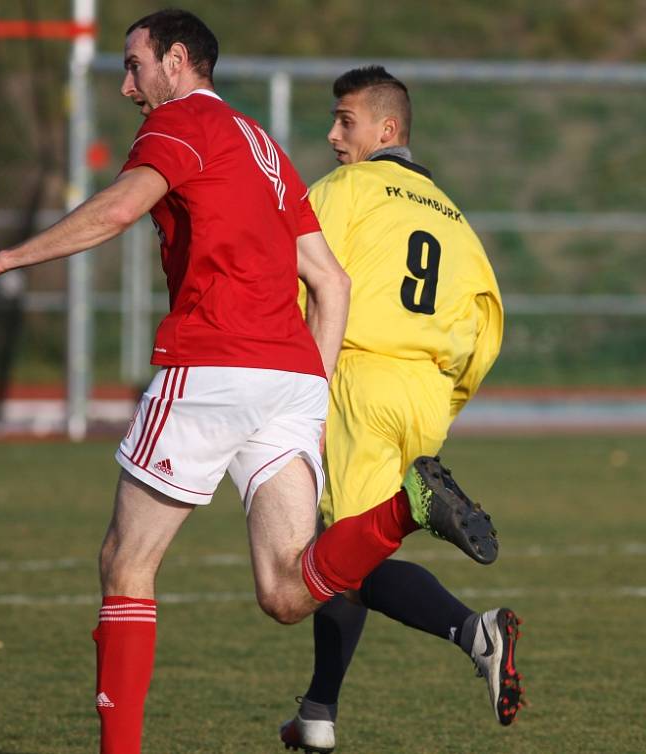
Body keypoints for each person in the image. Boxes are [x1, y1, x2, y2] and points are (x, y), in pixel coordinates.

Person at [0, 13, 499, 753]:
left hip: (213, 362)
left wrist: (7, 257)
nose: (128, 86)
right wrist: (312, 396)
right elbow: (330, 282)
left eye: (134, 65)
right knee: (289, 591)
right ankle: (407, 510)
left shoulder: (181, 121)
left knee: (125, 564)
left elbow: (121, 207)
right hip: (288, 375)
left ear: (177, 59)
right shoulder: (265, 147)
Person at [279, 67, 522, 754]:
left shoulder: (344, 191)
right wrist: (444, 402)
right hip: (425, 395)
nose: (332, 135)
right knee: (347, 546)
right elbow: (487, 322)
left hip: (358, 377)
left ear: (387, 130)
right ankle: (319, 713)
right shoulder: (451, 213)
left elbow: (298, 279)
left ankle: (477, 634)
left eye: (345, 121)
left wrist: (292, 379)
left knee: (342, 558)